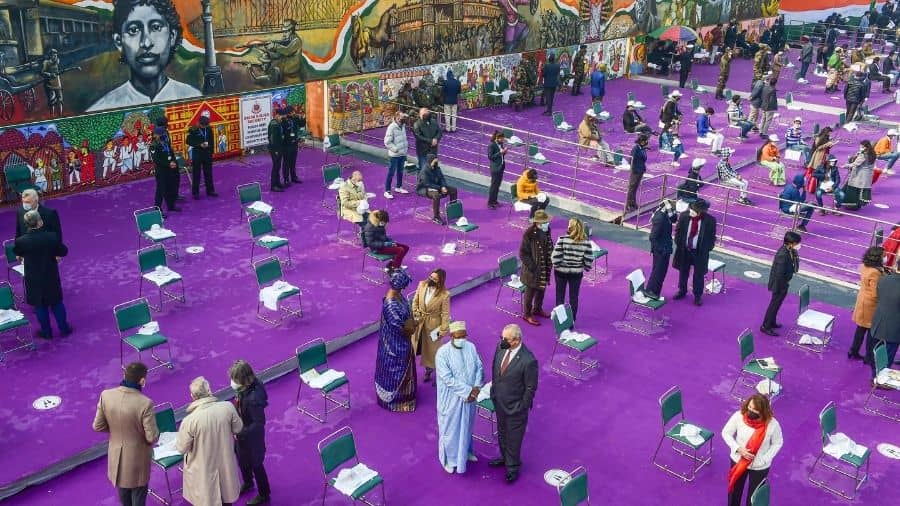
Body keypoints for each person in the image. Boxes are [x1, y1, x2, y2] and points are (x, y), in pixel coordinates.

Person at [88, 0, 200, 111]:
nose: (146, 43)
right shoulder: (103, 108)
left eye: (156, 27)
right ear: (119, 41)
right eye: (133, 30)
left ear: (172, 36)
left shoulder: (193, 98)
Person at [93, 362, 159, 506]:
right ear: (142, 381)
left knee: (124, 497)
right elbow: (151, 436)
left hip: (117, 457)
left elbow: (98, 426)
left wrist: (118, 431)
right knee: (138, 496)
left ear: (124, 375)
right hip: (137, 460)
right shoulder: (145, 403)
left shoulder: (106, 395)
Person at [176, 376, 243, 506]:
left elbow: (181, 448)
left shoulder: (190, 421)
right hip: (225, 464)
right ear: (209, 391)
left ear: (193, 396)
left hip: (203, 471)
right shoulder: (227, 407)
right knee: (226, 498)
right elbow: (238, 428)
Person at [488, 323, 538, 483]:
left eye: (506, 339)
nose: (502, 341)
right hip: (499, 402)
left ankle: (513, 467)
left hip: (516, 408)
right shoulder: (500, 347)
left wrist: (522, 406)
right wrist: (494, 391)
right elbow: (495, 368)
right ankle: (505, 458)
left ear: (516, 340)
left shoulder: (528, 360)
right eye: (502, 338)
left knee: (514, 439)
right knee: (502, 433)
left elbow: (531, 387)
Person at [14, 210, 72, 339]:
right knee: (56, 302)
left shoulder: (21, 241)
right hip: (50, 274)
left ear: (27, 224)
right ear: (40, 222)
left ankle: (47, 332)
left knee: (40, 305)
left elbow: (17, 252)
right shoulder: (51, 237)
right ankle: (64, 328)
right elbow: (63, 251)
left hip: (33, 277)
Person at [435, 320, 483, 474]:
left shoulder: (471, 347)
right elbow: (447, 379)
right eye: (459, 336)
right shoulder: (442, 353)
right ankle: (449, 460)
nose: (462, 339)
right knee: (450, 430)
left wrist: (476, 388)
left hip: (470, 397)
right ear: (451, 336)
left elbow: (479, 367)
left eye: (464, 336)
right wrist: (468, 391)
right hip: (451, 399)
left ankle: (466, 453)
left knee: (467, 426)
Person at [722, 394, 784, 506]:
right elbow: (726, 433)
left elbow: (777, 443)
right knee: (734, 490)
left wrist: (764, 459)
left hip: (760, 466)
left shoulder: (773, 424)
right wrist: (738, 449)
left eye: (755, 410)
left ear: (763, 411)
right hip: (738, 460)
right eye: (749, 407)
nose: (750, 411)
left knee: (754, 498)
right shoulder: (738, 416)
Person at [228, 361, 270, 506]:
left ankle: (264, 494)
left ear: (244, 379)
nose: (232, 382)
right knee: (241, 459)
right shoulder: (244, 389)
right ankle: (247, 482)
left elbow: (258, 424)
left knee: (256, 465)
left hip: (252, 438)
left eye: (235, 379)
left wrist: (240, 433)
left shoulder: (253, 399)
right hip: (242, 433)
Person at [375, 269, 417, 412]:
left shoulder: (399, 296)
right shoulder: (391, 305)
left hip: (402, 341)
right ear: (400, 286)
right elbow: (401, 328)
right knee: (395, 370)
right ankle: (396, 400)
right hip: (394, 345)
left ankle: (406, 395)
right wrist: (413, 325)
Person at [672, 199, 717, 306]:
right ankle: (682, 291)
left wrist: (708, 248)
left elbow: (712, 237)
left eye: (693, 210)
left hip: (700, 252)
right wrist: (679, 243)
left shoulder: (710, 221)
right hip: (685, 250)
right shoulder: (683, 216)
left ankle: (697, 296)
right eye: (690, 208)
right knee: (683, 271)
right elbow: (678, 232)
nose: (690, 211)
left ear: (701, 212)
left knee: (699, 275)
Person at [411, 269, 451, 385]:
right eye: (430, 277)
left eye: (434, 279)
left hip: (433, 326)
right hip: (419, 322)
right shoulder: (422, 284)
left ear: (440, 281)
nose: (431, 279)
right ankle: (427, 370)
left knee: (433, 352)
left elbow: (445, 314)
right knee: (416, 347)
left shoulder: (445, 295)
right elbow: (415, 301)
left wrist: (443, 330)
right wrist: (416, 312)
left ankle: (437, 373)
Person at [551, 218, 593, 321]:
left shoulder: (562, 239)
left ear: (570, 227)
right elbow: (588, 260)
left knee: (560, 297)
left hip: (561, 273)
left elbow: (554, 258)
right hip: (576, 274)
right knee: (574, 298)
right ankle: (572, 320)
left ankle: (560, 320)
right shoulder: (586, 242)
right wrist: (583, 267)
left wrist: (558, 265)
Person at [760, 231, 801, 335]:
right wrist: (783, 286)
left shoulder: (790, 251)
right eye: (797, 243)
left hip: (783, 283)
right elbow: (779, 274)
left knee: (777, 304)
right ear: (791, 243)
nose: (798, 245)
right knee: (774, 305)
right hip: (779, 284)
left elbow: (794, 267)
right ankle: (766, 326)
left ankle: (772, 322)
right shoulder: (783, 254)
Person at [849, 247, 886, 362]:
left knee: (861, 328)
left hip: (863, 300)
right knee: (871, 330)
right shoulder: (875, 272)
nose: (885, 257)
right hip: (870, 304)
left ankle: (853, 351)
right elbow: (875, 292)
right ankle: (869, 357)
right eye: (883, 255)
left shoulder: (865, 266)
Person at [520, 210, 553, 326]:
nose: (547, 224)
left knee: (541, 290)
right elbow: (523, 253)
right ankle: (527, 314)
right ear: (538, 223)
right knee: (530, 293)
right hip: (532, 271)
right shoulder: (529, 234)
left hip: (544, 266)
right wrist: (533, 267)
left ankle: (537, 309)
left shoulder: (546, 230)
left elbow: (549, 244)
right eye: (545, 222)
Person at [645, 200, 677, 299]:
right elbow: (653, 237)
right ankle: (650, 291)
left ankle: (655, 292)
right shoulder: (660, 217)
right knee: (658, 272)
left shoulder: (664, 214)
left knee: (660, 272)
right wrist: (661, 249)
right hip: (661, 250)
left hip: (664, 248)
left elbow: (674, 219)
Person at [870, 269, 900, 369]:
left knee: (876, 353)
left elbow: (879, 297)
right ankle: (881, 378)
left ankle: (875, 376)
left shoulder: (883, 279)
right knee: (888, 357)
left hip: (878, 322)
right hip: (895, 328)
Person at [417, 154, 458, 225]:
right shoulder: (424, 171)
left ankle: (453, 211)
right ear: (430, 161)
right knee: (436, 196)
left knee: (453, 190)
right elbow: (427, 184)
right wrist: (440, 188)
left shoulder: (437, 168)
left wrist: (443, 186)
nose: (436, 162)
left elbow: (442, 178)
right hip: (425, 189)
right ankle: (436, 217)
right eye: (435, 161)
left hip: (437, 187)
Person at [150, 126, 181, 213]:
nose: (164, 135)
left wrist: (174, 162)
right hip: (161, 171)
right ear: (156, 135)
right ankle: (158, 210)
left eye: (164, 133)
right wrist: (168, 164)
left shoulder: (166, 142)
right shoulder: (153, 146)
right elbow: (156, 160)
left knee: (170, 188)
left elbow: (171, 154)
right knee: (160, 190)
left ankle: (171, 206)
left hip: (170, 169)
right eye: (161, 134)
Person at [186, 115, 218, 199]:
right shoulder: (193, 129)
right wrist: (199, 145)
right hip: (197, 153)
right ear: (199, 123)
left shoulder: (208, 128)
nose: (205, 126)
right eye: (203, 125)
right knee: (196, 174)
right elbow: (188, 141)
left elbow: (211, 140)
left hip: (207, 153)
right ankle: (195, 193)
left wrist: (212, 152)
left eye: (206, 125)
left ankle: (210, 190)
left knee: (208, 173)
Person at [383, 111, 410, 199]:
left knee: (400, 171)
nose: (404, 119)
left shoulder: (402, 126)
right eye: (402, 118)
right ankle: (387, 191)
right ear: (398, 118)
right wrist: (395, 149)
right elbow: (387, 142)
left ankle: (399, 187)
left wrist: (404, 150)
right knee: (391, 172)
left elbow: (407, 116)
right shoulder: (391, 127)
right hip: (394, 155)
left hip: (402, 154)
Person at [843, 140, 877, 210]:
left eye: (861, 146)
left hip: (859, 175)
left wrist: (845, 165)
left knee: (854, 189)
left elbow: (855, 164)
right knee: (860, 191)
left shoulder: (863, 155)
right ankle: (858, 205)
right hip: (867, 176)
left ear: (864, 147)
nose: (860, 147)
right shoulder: (872, 154)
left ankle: (852, 205)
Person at [413, 107, 442, 172]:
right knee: (423, 170)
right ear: (420, 115)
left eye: (427, 113)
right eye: (424, 114)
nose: (426, 115)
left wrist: (436, 139)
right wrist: (431, 141)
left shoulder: (434, 121)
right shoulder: (417, 124)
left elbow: (439, 132)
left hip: (433, 150)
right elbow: (418, 137)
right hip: (423, 151)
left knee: (434, 169)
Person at [280, 106, 301, 186]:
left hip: (294, 143)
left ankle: (294, 177)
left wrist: (301, 118)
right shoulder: (283, 121)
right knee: (286, 163)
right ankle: (286, 179)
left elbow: (301, 124)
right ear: (288, 113)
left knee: (293, 161)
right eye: (292, 112)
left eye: (294, 112)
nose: (294, 113)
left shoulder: (295, 118)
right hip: (286, 144)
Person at [626, 135, 649, 211]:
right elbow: (631, 160)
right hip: (636, 171)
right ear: (642, 141)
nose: (647, 142)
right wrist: (634, 169)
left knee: (635, 188)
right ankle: (629, 205)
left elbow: (643, 158)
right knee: (632, 188)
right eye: (646, 141)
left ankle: (633, 203)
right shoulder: (636, 149)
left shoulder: (642, 148)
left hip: (640, 171)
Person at [487, 130, 508, 209]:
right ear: (497, 138)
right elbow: (490, 157)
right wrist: (501, 152)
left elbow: (501, 155)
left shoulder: (500, 144)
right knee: (494, 186)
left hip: (501, 167)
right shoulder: (491, 145)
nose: (503, 140)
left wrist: (504, 152)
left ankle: (494, 200)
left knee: (497, 185)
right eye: (501, 139)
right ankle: (490, 203)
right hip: (495, 168)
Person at [266, 108, 285, 193]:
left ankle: (277, 183)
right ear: (277, 115)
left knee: (278, 166)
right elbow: (272, 139)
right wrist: (275, 150)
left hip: (279, 148)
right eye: (281, 116)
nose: (282, 117)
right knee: (275, 167)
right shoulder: (274, 124)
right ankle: (273, 186)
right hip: (275, 149)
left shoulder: (277, 123)